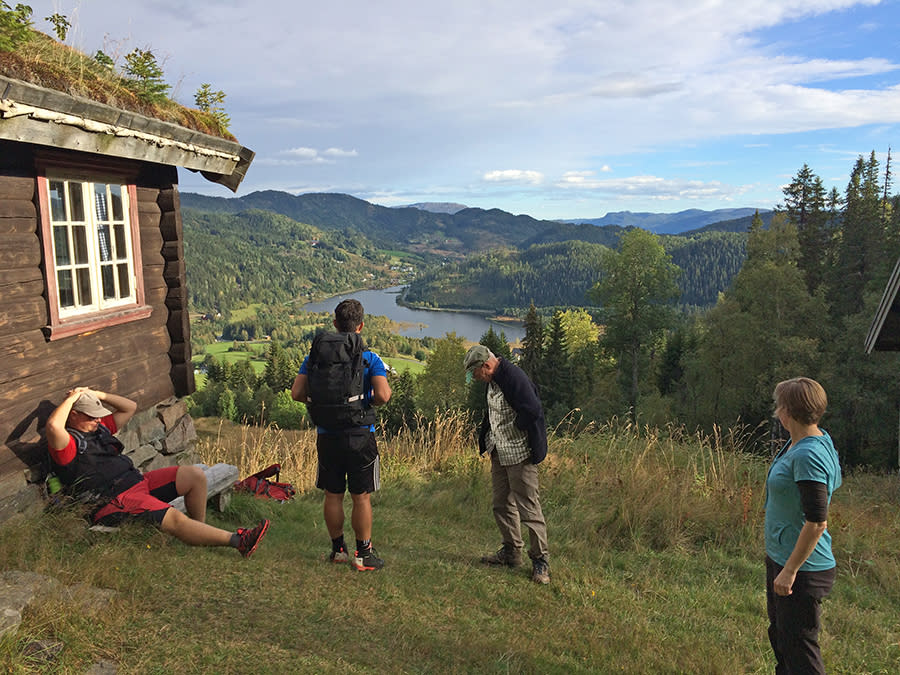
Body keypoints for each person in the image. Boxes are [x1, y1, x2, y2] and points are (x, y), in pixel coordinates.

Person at [46, 387, 270, 558]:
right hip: (115, 500)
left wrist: (96, 394)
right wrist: (71, 399)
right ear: (73, 415)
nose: (97, 419)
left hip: (138, 482)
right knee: (174, 518)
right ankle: (239, 541)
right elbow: (53, 426)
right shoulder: (68, 444)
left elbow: (129, 407)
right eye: (91, 415)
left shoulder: (98, 428)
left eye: (98, 414)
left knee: (195, 476)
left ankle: (199, 532)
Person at [291, 299, 392, 571]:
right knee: (361, 497)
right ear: (360, 326)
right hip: (360, 435)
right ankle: (363, 555)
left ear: (335, 324)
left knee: (333, 495)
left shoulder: (314, 357)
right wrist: (364, 401)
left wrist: (322, 403)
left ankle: (338, 551)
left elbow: (297, 393)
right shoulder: (369, 358)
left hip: (327, 434)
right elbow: (383, 395)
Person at [765, 377, 842, 674]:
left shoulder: (809, 454)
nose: (776, 411)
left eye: (779, 405)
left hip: (802, 569)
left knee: (800, 648)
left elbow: (816, 522)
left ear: (787, 411)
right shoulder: (803, 442)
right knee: (783, 639)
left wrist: (790, 571)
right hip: (782, 557)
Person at [463, 344, 550, 584]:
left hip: (520, 454)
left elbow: (532, 410)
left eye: (476, 373)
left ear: (486, 366)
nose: (475, 379)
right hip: (499, 452)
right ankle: (511, 553)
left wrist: (515, 430)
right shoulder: (493, 380)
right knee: (501, 503)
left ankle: (540, 561)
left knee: (529, 509)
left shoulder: (513, 377)